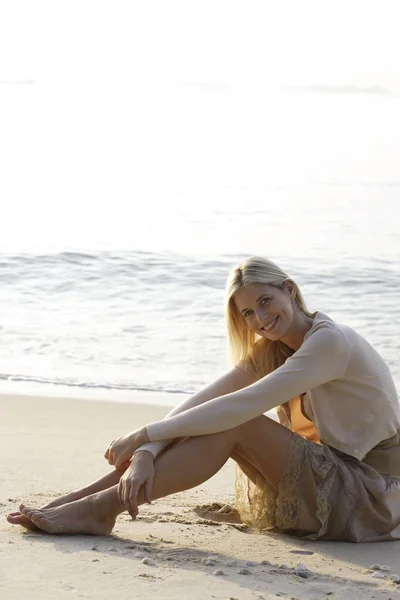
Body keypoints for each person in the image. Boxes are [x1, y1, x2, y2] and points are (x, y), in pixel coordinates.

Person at [7, 256, 400, 541]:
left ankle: (100, 508)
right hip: (329, 482)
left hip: (371, 494)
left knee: (235, 423)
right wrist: (145, 449)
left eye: (265, 301)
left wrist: (143, 434)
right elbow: (203, 401)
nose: (260, 318)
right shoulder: (273, 349)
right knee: (207, 420)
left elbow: (242, 406)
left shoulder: (331, 342)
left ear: (290, 291)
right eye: (247, 313)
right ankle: (83, 500)